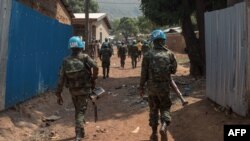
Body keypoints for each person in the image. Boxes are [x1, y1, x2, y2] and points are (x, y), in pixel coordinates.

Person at [55, 36, 99, 141]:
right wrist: (93, 78)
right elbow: (96, 67)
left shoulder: (65, 60)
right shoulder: (85, 57)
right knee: (81, 110)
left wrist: (58, 93)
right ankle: (79, 133)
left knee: (77, 109)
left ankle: (80, 130)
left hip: (73, 90)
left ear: (70, 47)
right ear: (80, 46)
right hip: (85, 89)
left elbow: (61, 78)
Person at [139, 30, 177, 141]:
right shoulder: (170, 54)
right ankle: (164, 126)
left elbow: (143, 74)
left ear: (153, 41)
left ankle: (154, 133)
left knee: (153, 109)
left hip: (151, 88)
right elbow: (173, 70)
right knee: (165, 107)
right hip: (165, 87)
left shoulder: (147, 55)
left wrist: (141, 87)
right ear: (163, 40)